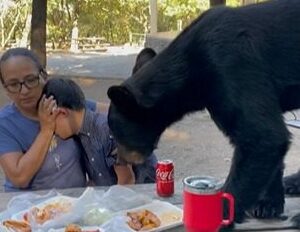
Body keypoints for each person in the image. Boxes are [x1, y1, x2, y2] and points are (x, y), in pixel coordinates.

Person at [0, 48, 97, 191]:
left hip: (74, 202)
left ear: (44, 76)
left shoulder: (62, 103)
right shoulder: (5, 124)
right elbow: (19, 178)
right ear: (6, 89)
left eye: (31, 80)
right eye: (14, 84)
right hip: (29, 207)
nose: (25, 90)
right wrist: (46, 130)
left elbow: (111, 111)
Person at [42, 78, 157, 185]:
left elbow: (127, 180)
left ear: (62, 113)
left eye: (50, 120)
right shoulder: (80, 135)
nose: (51, 129)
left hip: (142, 194)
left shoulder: (107, 131)